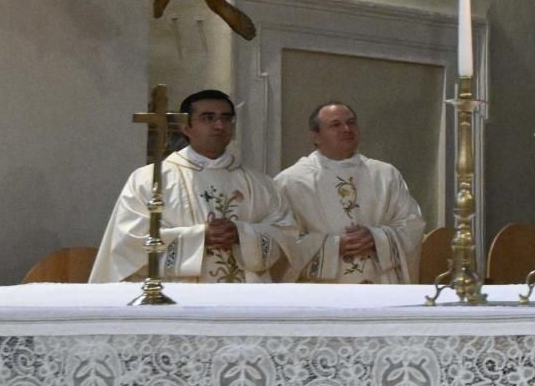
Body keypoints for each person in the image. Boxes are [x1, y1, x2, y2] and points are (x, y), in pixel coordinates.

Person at [92, 88, 297, 283]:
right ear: (186, 126)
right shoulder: (149, 179)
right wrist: (201, 237)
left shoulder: (261, 184)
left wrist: (242, 234)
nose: (219, 125)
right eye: (208, 118)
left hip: (244, 300)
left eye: (226, 118)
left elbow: (287, 235)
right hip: (177, 297)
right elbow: (128, 243)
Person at [273, 101, 426, 283]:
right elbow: (280, 240)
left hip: (379, 284)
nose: (346, 129)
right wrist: (334, 246)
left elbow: (412, 224)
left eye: (351, 122)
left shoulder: (385, 174)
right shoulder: (291, 181)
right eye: (335, 125)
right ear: (316, 136)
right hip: (322, 292)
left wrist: (376, 238)